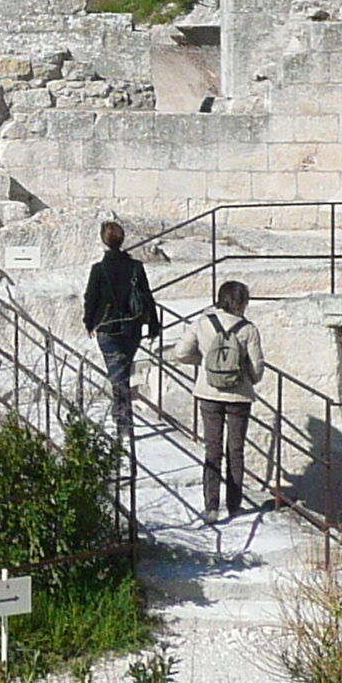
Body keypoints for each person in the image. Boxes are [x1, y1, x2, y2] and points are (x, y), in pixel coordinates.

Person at [170, 279, 268, 522]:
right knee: (236, 451)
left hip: (208, 392)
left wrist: (204, 365)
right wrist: (243, 377)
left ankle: (211, 507)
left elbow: (180, 352)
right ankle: (234, 505)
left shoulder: (203, 322)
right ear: (241, 302)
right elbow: (257, 369)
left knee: (212, 449)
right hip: (239, 396)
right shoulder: (248, 329)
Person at [81, 220, 161, 438]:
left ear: (103, 241)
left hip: (107, 329)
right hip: (132, 328)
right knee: (121, 372)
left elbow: (91, 299)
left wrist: (88, 323)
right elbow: (147, 296)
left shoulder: (99, 269)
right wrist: (154, 325)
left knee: (119, 375)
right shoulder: (135, 267)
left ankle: (124, 422)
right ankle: (122, 417)